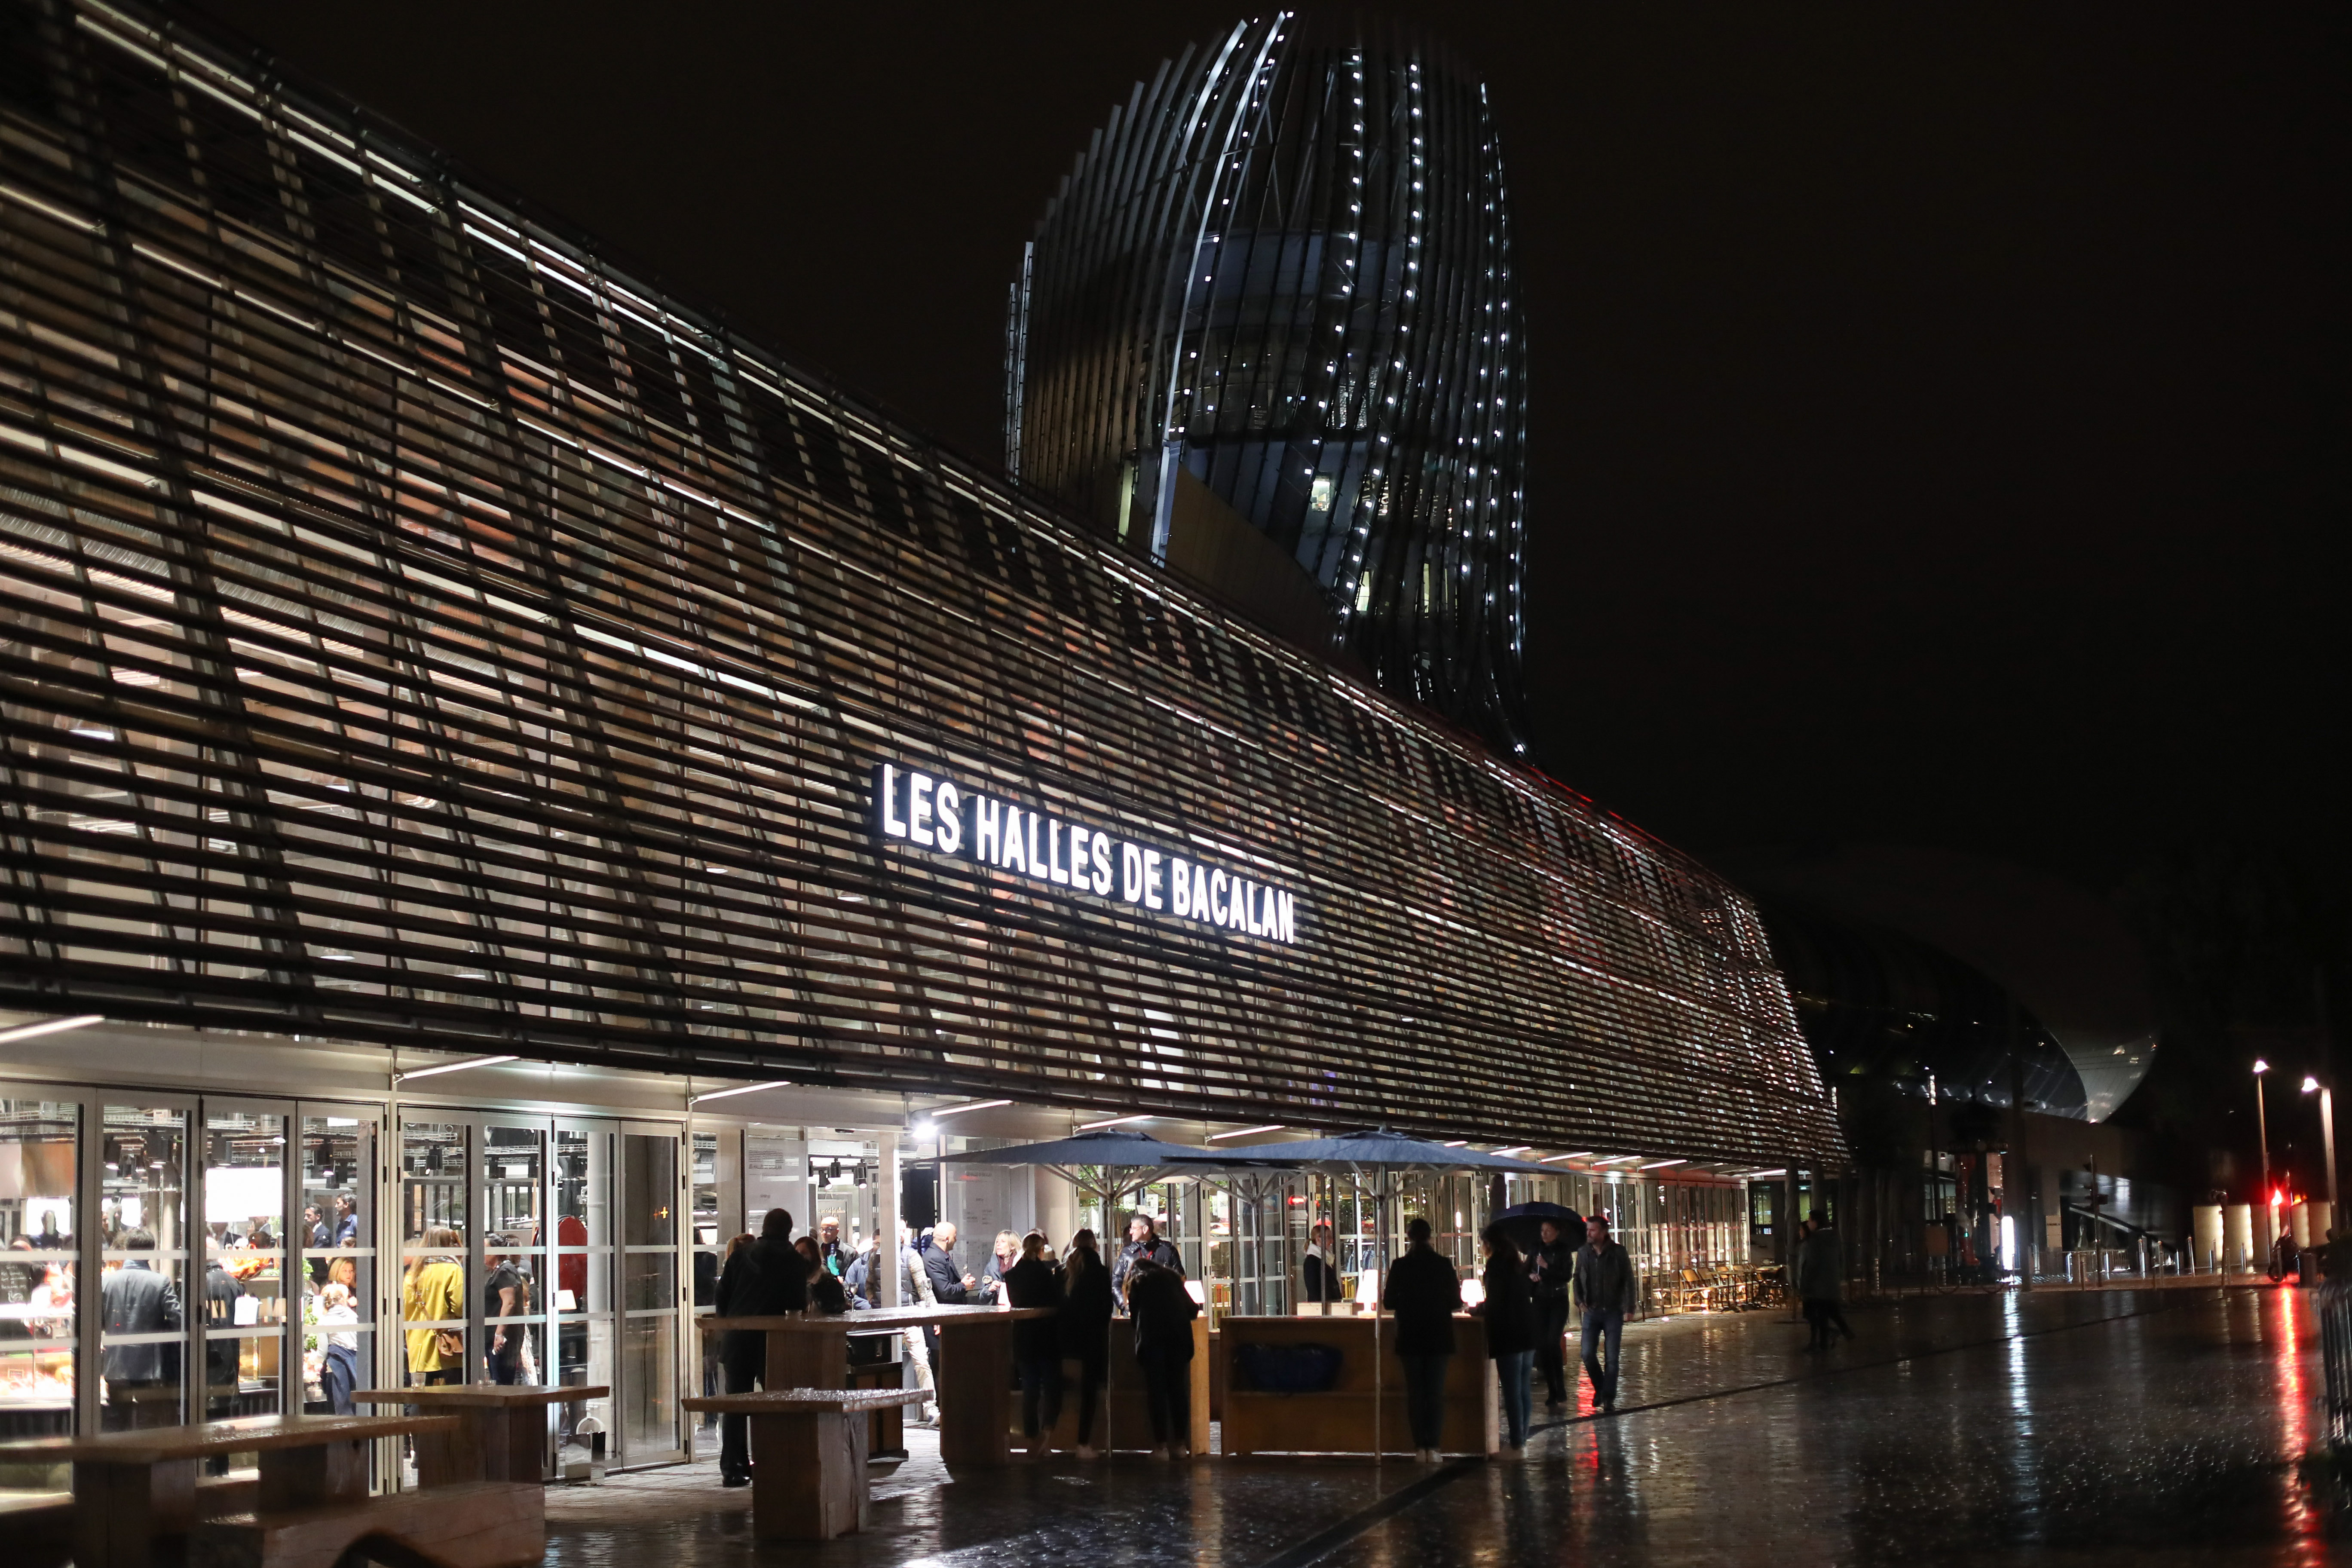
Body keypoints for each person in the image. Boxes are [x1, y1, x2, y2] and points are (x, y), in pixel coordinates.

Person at [714, 1209, 807, 1487]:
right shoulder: (793, 1259)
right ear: (789, 1230)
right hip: (773, 1341)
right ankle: (777, 1461)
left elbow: (722, 1295)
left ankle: (733, 1468)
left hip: (738, 1340)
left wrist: (730, 1324)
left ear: (765, 1228)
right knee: (778, 1403)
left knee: (735, 1405)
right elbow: (796, 1304)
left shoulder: (742, 1255)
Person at [1382, 1216, 1462, 1464]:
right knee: (1435, 1393)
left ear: (1408, 1237)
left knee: (1416, 1393)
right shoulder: (1443, 1265)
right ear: (1431, 1236)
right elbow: (1457, 1303)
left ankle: (1420, 1447)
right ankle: (1434, 1446)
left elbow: (1389, 1303)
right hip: (1439, 1334)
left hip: (1409, 1335)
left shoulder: (1399, 1266)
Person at [101, 1228, 182, 1429]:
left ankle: (119, 1460)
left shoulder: (106, 1282)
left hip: (116, 1364)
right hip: (149, 1366)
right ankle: (142, 1460)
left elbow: (95, 1320)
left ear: (127, 1249)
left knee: (116, 1422)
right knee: (148, 1423)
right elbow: (179, 1319)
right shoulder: (160, 1282)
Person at [1124, 1255, 1199, 1459]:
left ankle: (1161, 1447)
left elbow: (1134, 1318)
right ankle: (1181, 1445)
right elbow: (1193, 1310)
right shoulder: (1173, 1278)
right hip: (1179, 1342)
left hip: (1153, 1343)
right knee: (1178, 1391)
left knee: (1156, 1393)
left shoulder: (1139, 1282)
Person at [1002, 1230, 1066, 1458]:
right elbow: (1057, 1302)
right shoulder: (1048, 1274)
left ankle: (1030, 1438)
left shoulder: (1011, 1276)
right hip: (1047, 1337)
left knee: (1030, 1388)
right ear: (1042, 1251)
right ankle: (1045, 1435)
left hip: (1023, 1337)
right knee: (1051, 1388)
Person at [1571, 1212, 1637, 1412]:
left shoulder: (1618, 1252)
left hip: (1613, 1311)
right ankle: (1600, 1388)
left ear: (1603, 1232)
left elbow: (1628, 1279)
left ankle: (1608, 1397)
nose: (1589, 1233)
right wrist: (1579, 1301)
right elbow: (1577, 1277)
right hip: (1591, 1311)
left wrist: (1630, 1306)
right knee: (1587, 1354)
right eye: (1587, 1230)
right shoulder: (1584, 1252)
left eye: (1593, 1230)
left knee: (1612, 1357)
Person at [1479, 1227, 1537, 1453]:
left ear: (1490, 1245)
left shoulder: (1496, 1267)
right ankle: (1522, 1436)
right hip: (1526, 1331)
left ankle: (1516, 1442)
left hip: (1508, 1333)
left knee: (1512, 1390)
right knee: (1523, 1388)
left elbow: (1496, 1302)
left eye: (1483, 1244)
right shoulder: (1518, 1265)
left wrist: (1478, 1309)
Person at [1060, 1228, 1114, 1459]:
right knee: (1090, 1392)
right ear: (1094, 1245)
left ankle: (1056, 1438)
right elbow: (1106, 1309)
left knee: (1064, 1389)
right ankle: (1084, 1442)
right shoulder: (1101, 1272)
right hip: (1093, 1339)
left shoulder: (1064, 1271)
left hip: (1066, 1340)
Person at [402, 1227, 466, 1389]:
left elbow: (405, 1307)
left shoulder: (413, 1273)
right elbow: (459, 1306)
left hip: (417, 1345)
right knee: (452, 1396)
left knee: (420, 1396)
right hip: (447, 1346)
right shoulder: (452, 1270)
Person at [1528, 1217, 1578, 1408]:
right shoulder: (1535, 1249)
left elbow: (1566, 1276)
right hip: (1540, 1299)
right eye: (1542, 1230)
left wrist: (1548, 1267)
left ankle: (1560, 1386)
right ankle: (1552, 1390)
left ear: (1557, 1232)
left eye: (1548, 1230)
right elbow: (1527, 1268)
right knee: (1542, 1344)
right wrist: (1531, 1274)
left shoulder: (1563, 1250)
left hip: (1558, 1299)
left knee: (1552, 1341)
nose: (1545, 1234)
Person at [1797, 1214, 1851, 1348]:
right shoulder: (1834, 1238)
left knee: (1819, 1316)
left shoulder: (1814, 1240)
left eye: (1810, 1221)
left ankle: (1823, 1344)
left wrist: (1805, 1285)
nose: (1808, 1224)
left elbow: (1810, 1265)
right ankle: (1840, 1335)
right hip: (1830, 1284)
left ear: (1815, 1222)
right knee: (1829, 1313)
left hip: (1817, 1287)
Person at [1112, 1213, 1183, 1303]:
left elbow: (1180, 1280)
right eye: (1131, 1229)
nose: (1131, 1232)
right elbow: (1116, 1283)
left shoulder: (1167, 1251)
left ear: (1145, 1229)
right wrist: (1125, 1305)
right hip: (1134, 1312)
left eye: (1134, 1228)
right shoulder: (1127, 1253)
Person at [482, 1237, 525, 1383]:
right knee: (496, 1379)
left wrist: (499, 1334)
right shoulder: (498, 1271)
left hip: (501, 1340)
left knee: (501, 1381)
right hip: (492, 1337)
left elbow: (509, 1302)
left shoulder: (505, 1271)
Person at [318, 1281, 360, 1414]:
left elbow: (323, 1351)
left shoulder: (324, 1321)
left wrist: (313, 1362)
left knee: (340, 1410)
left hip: (337, 1369)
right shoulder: (354, 1316)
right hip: (356, 1366)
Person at [796, 1235, 850, 1313]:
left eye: (804, 1253)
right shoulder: (797, 1283)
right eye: (797, 1253)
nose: (800, 1257)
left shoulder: (829, 1283)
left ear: (814, 1255)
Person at [1302, 1222, 1344, 1308]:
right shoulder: (1312, 1262)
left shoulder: (1324, 1260)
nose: (1332, 1241)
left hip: (1329, 1308)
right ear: (1319, 1239)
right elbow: (1314, 1291)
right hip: (1322, 1310)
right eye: (1329, 1238)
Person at [977, 1230, 1020, 1304]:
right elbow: (982, 1298)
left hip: (1017, 1308)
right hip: (998, 1309)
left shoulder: (1020, 1264)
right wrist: (990, 1290)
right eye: (997, 1242)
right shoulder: (991, 1266)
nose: (998, 1244)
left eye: (1003, 1242)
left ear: (1013, 1246)